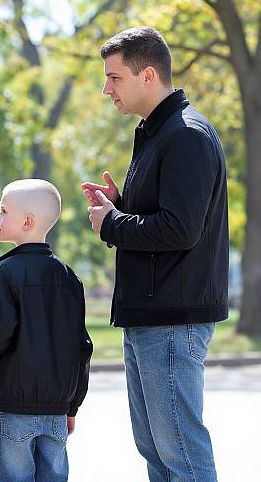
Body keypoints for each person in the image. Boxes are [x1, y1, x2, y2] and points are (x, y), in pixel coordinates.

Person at [82, 27, 228, 481]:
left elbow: (181, 230)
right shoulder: (156, 133)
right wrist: (121, 207)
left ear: (148, 75)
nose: (106, 88)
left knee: (180, 453)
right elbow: (169, 218)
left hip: (171, 317)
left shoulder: (186, 136)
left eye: (113, 77)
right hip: (150, 314)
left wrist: (112, 224)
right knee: (157, 453)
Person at [0, 179, 93, 482]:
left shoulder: (3, 274)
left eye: (3, 211)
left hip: (13, 407)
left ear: (26, 221)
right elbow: (81, 347)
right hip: (56, 408)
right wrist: (72, 404)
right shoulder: (70, 278)